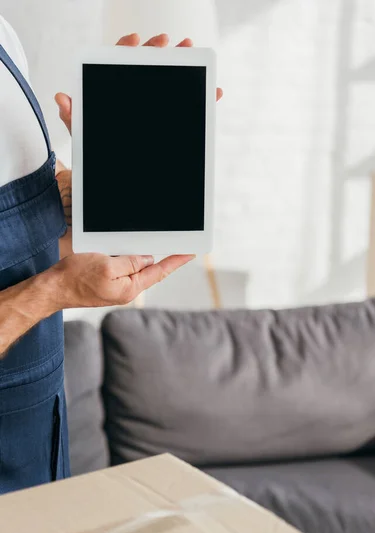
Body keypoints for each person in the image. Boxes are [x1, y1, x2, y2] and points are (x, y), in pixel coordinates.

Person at [0, 17, 222, 494]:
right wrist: (55, 289)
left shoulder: (4, 37)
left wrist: (118, 178)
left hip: (37, 446)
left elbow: (37, 222)